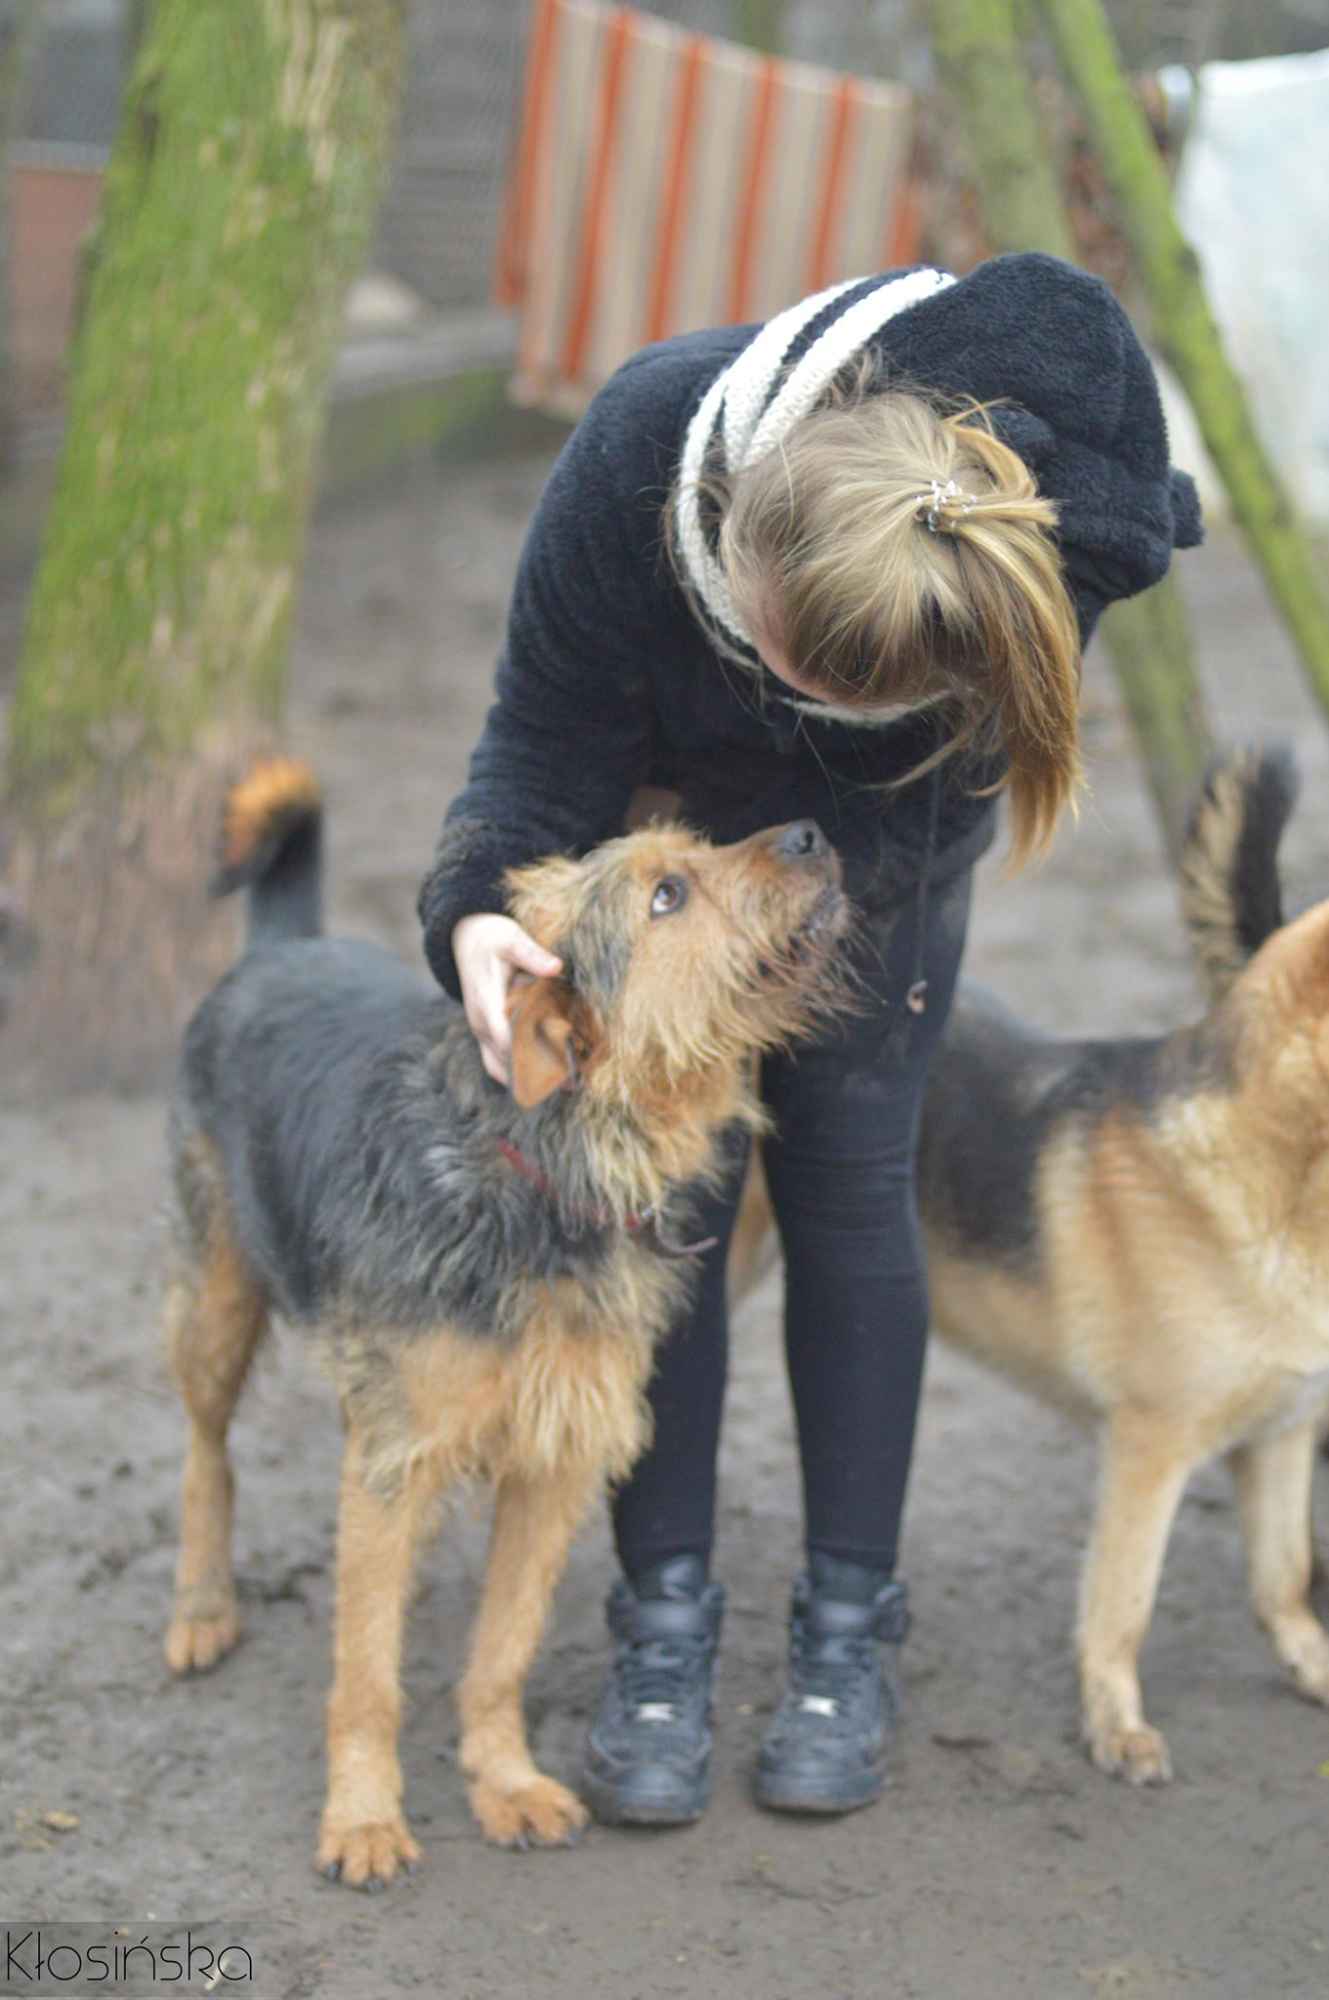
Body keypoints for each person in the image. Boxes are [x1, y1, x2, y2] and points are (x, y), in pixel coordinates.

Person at [417, 252, 1201, 1825]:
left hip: (887, 866)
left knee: (848, 1186)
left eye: (847, 691)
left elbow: (944, 799)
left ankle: (849, 1628)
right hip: (652, 847)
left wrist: (786, 954)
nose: (800, 706)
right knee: (666, 1216)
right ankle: (663, 1621)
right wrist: (468, 919)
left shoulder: (1028, 550)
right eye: (784, 662)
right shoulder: (641, 451)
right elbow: (535, 748)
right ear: (738, 545)